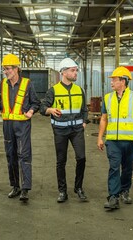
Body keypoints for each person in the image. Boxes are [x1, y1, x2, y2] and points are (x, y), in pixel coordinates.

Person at [0, 53, 40, 202]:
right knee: (11, 156)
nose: (6, 72)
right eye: (4, 69)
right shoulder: (1, 84)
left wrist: (31, 111)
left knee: (24, 155)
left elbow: (36, 103)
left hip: (22, 125)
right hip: (8, 126)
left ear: (16, 69)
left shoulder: (27, 84)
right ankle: (15, 186)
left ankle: (25, 188)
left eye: (8, 69)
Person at [40, 58, 88, 203]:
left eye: (76, 70)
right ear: (63, 72)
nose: (75, 73)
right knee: (61, 161)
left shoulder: (79, 90)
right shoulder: (53, 90)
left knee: (81, 158)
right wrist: (50, 109)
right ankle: (62, 191)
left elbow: (84, 110)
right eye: (73, 70)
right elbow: (42, 109)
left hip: (77, 130)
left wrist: (84, 122)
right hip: (60, 131)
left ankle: (78, 187)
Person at [97, 66, 133, 210]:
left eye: (114, 80)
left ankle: (125, 190)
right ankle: (113, 196)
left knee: (127, 168)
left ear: (123, 81)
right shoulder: (107, 98)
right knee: (113, 167)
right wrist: (100, 137)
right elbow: (104, 119)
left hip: (130, 140)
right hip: (113, 141)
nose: (111, 82)